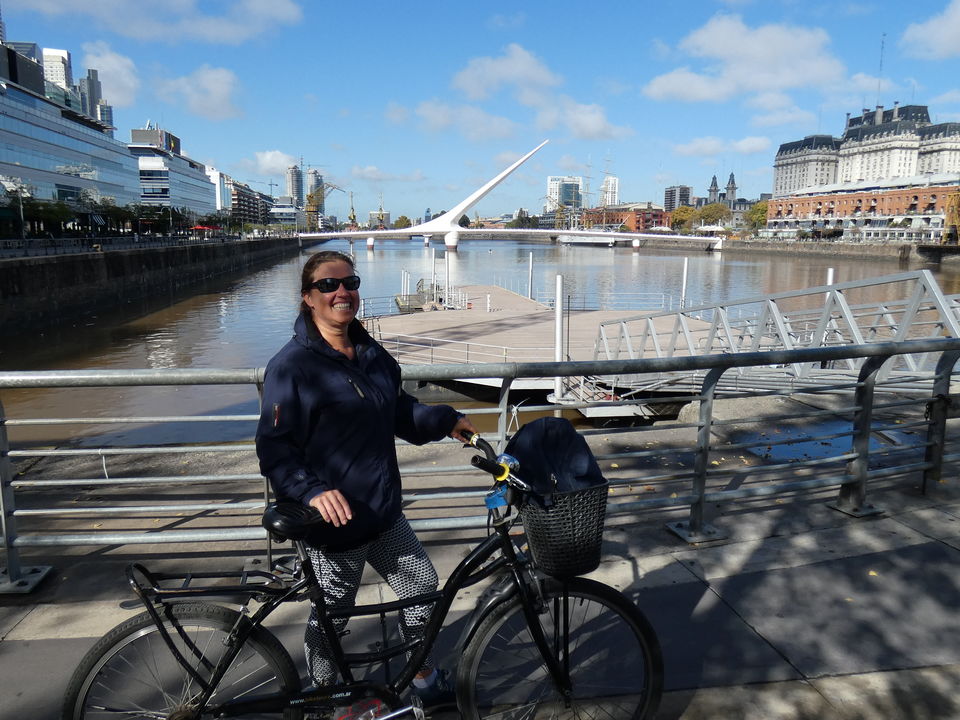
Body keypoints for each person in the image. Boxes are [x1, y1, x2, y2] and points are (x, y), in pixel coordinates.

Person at [256, 249, 476, 708]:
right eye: (328, 286)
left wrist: (444, 420)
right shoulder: (292, 366)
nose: (342, 292)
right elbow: (275, 448)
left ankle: (421, 675)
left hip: (381, 509)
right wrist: (313, 491)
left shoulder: (372, 353)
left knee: (420, 587)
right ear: (307, 298)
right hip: (332, 522)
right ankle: (331, 700)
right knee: (332, 618)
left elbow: (397, 411)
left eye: (350, 284)